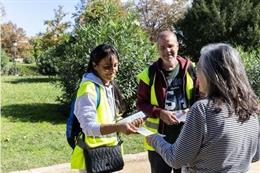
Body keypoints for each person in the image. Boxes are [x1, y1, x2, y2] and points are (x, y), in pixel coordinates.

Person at [146, 43, 260, 172]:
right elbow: (255, 155)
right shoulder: (251, 109)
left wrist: (155, 139)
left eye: (199, 70)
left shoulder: (202, 109)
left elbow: (175, 159)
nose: (197, 77)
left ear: (210, 74)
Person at [71, 44, 143, 172]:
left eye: (115, 65)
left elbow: (112, 119)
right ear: (94, 65)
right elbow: (88, 128)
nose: (113, 70)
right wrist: (119, 127)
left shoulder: (109, 86)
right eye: (107, 67)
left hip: (110, 155)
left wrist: (129, 125)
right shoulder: (88, 89)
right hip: (91, 159)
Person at [136, 30, 197, 173]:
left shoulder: (191, 69)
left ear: (177, 46)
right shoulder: (149, 74)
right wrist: (160, 113)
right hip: (159, 141)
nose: (167, 51)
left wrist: (193, 110)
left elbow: (201, 97)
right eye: (162, 47)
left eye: (170, 46)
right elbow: (141, 104)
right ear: (157, 49)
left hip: (186, 138)